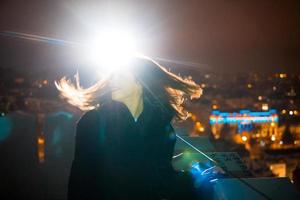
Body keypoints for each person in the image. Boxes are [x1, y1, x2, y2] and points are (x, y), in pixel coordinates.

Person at [55, 56, 203, 200]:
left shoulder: (161, 126)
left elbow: (163, 178)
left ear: (140, 81)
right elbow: (80, 181)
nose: (112, 81)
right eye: (112, 76)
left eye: (119, 76)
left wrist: (199, 175)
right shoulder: (93, 121)